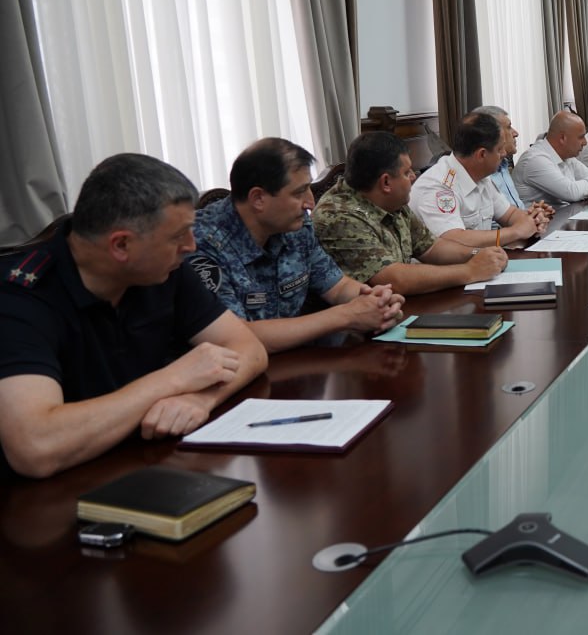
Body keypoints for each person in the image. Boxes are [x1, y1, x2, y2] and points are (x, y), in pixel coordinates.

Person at [0, 154, 267, 479]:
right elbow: (35, 448)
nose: (191, 247)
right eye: (178, 235)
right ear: (121, 245)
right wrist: (173, 379)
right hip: (49, 500)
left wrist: (201, 398)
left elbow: (249, 349)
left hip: (143, 465)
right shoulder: (19, 297)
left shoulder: (165, 270)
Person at [192, 138, 404, 354]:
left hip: (297, 364)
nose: (310, 203)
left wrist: (375, 302)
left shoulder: (296, 227)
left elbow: (337, 286)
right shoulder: (201, 243)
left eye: (309, 189)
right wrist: (346, 315)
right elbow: (236, 337)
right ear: (258, 198)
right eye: (298, 193)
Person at [313, 132, 507, 296]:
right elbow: (392, 279)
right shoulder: (340, 216)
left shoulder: (392, 201)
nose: (414, 177)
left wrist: (478, 254)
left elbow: (432, 248)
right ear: (386, 183)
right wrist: (470, 271)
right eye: (407, 173)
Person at [409, 113, 547, 247]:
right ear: (482, 154)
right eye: (499, 149)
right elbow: (452, 240)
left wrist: (532, 221)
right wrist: (515, 232)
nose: (504, 154)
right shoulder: (439, 187)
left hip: (479, 263)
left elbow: (510, 214)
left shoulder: (481, 177)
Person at [472, 104, 555, 224]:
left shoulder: (503, 166)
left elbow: (509, 215)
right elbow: (490, 227)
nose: (515, 133)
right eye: (509, 127)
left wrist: (533, 215)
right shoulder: (482, 174)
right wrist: (524, 225)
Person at [514, 111, 588, 204]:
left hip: (561, 215)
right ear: (562, 138)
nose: (585, 142)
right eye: (581, 137)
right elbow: (571, 192)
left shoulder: (567, 157)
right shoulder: (535, 159)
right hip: (541, 219)